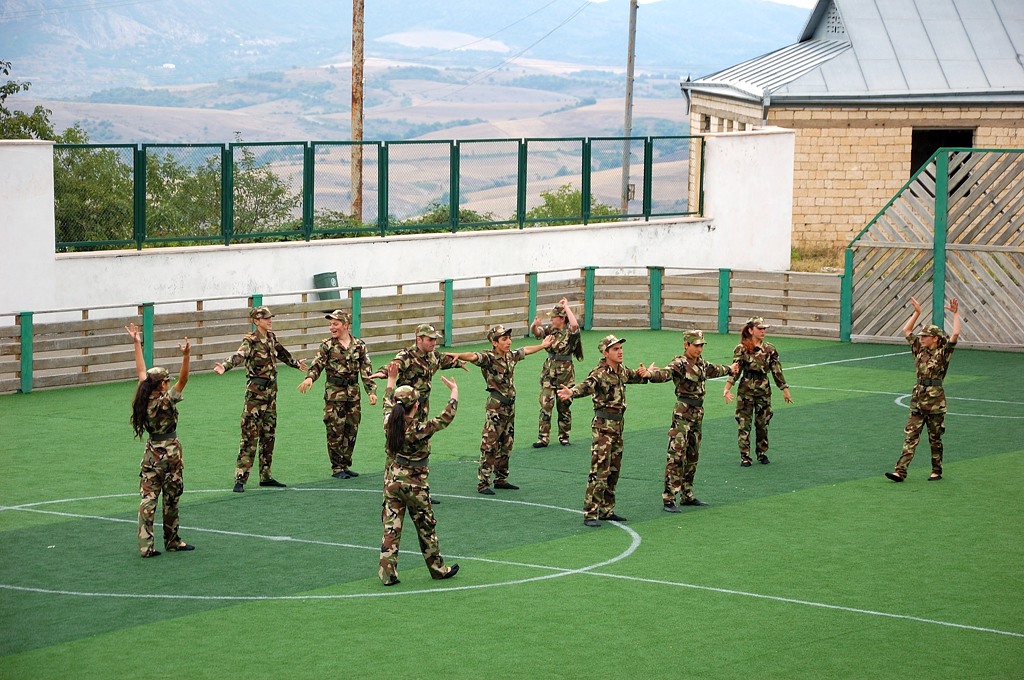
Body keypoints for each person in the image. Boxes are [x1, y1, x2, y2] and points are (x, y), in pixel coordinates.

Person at [378, 362, 461, 586]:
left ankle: (387, 574)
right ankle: (438, 569)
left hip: (392, 481)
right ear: (415, 405)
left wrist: (390, 381)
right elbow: (445, 418)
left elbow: (386, 404)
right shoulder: (418, 429)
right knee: (426, 527)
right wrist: (454, 393)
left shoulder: (389, 423)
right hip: (415, 484)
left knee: (391, 528)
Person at [448, 325, 553, 495]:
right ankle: (483, 483)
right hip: (496, 407)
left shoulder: (510, 356)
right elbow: (474, 356)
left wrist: (542, 346)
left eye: (509, 338)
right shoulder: (489, 358)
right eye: (504, 339)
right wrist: (460, 355)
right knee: (490, 445)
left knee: (507, 443)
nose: (509, 342)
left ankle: (501, 479)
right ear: (494, 342)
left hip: (509, 407)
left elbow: (525, 350)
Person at [557, 335, 650, 527]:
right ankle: (591, 513)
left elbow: (634, 377)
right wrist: (571, 392)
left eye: (620, 348)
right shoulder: (599, 373)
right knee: (599, 470)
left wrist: (645, 373)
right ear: (605, 353)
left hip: (618, 426)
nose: (620, 351)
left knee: (614, 470)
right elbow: (586, 385)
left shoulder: (621, 370)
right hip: (603, 427)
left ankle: (607, 510)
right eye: (615, 349)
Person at [215, 306, 306, 492]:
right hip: (255, 397)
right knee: (249, 437)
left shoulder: (271, 338)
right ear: (256, 321)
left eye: (270, 317)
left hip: (271, 396)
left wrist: (297, 364)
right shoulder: (250, 341)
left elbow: (283, 354)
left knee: (268, 436)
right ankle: (240, 478)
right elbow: (239, 356)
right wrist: (225, 366)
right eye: (265, 318)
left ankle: (266, 476)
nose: (269, 320)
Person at [647, 330, 738, 512]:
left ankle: (687, 494)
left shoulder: (701, 363)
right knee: (676, 455)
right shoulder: (680, 363)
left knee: (692, 455)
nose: (699, 348)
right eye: (696, 345)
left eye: (701, 345)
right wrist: (650, 375)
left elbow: (714, 369)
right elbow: (665, 374)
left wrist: (730, 369)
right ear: (686, 345)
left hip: (697, 413)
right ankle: (669, 497)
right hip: (683, 413)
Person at [126, 323, 195, 558]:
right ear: (163, 384)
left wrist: (136, 342)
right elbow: (184, 381)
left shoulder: (143, 399)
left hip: (151, 454)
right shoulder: (165, 401)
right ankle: (173, 540)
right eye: (167, 380)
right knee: (172, 498)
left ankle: (146, 546)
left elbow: (141, 372)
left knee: (148, 500)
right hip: (170, 455)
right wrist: (186, 357)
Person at [885, 297, 961, 483]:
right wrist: (917, 313)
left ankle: (936, 470)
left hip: (935, 403)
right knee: (911, 436)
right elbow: (907, 330)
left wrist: (956, 314)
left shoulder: (943, 353)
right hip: (918, 400)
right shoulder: (919, 349)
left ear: (935, 338)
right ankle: (900, 472)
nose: (922, 339)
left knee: (935, 439)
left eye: (925, 336)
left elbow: (956, 334)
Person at [298, 310, 377, 479]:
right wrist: (310, 378)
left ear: (345, 325)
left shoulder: (359, 345)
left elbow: (366, 370)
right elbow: (317, 365)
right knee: (335, 429)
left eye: (335, 324)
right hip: (334, 394)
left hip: (353, 395)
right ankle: (336, 468)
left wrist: (371, 391)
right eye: (330, 324)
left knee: (351, 429)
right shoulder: (327, 346)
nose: (331, 328)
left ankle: (345, 464)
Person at [723, 317, 792, 467]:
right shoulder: (741, 348)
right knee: (744, 423)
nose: (763, 331)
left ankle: (762, 453)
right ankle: (745, 456)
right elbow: (736, 369)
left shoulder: (770, 349)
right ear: (750, 330)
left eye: (764, 328)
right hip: (746, 390)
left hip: (764, 390)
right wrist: (727, 387)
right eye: (759, 328)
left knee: (763, 423)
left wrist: (784, 389)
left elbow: (776, 370)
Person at [531, 298, 583, 448]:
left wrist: (566, 307)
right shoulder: (550, 330)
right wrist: (535, 325)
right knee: (546, 404)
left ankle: (564, 436)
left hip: (564, 374)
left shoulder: (570, 333)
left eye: (553, 317)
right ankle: (543, 438)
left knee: (564, 405)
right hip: (549, 372)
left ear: (561, 318)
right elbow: (537, 332)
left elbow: (574, 325)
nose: (551, 319)